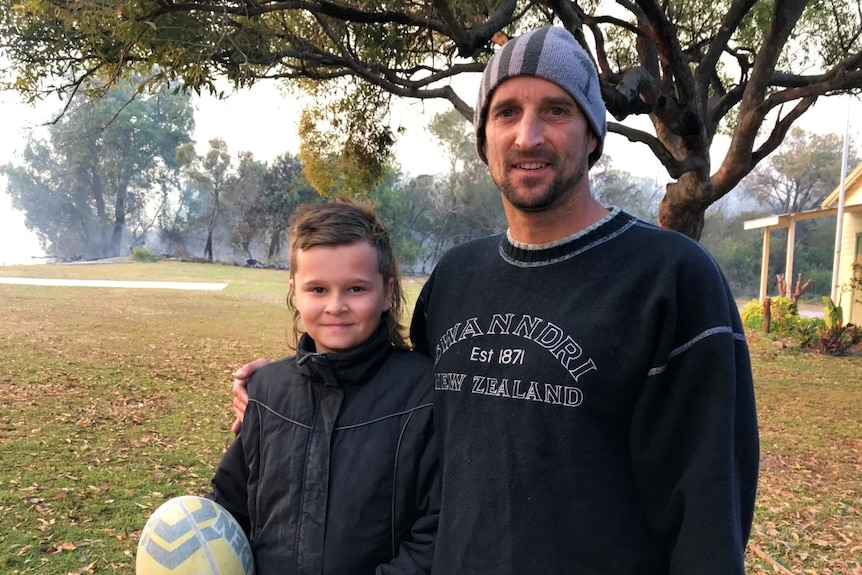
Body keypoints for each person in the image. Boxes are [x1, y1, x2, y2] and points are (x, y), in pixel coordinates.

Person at [232, 25, 759, 574]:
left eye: (556, 110)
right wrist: (292, 385)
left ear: (593, 135)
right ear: (484, 138)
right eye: (506, 112)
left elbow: (708, 514)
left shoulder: (671, 280)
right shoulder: (457, 277)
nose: (527, 136)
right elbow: (391, 391)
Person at [211, 200, 439, 574]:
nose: (335, 306)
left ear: (386, 293)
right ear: (294, 293)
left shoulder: (423, 395)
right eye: (317, 289)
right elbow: (229, 504)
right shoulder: (267, 392)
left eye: (355, 288)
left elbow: (436, 532)